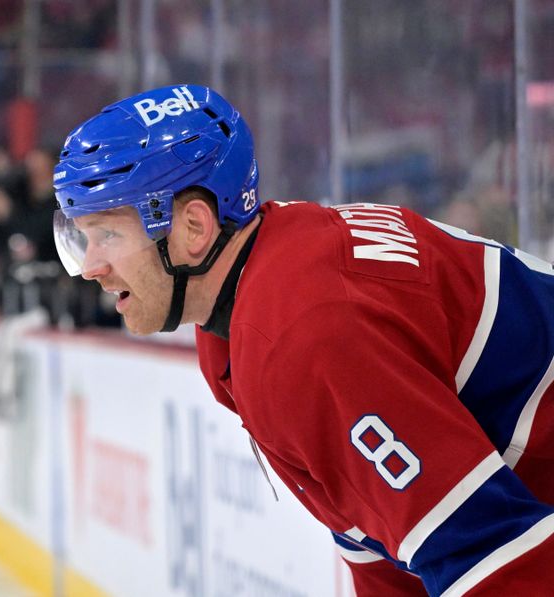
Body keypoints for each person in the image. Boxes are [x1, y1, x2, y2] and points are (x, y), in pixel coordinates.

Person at [51, 84, 554, 596]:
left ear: (194, 226)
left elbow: (498, 562)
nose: (91, 267)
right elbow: (387, 547)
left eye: (108, 234)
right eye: (81, 238)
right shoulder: (253, 300)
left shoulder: (302, 334)